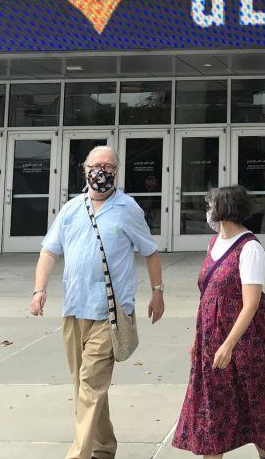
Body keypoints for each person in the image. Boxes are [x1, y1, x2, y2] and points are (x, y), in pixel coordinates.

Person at [30, 145, 165, 459]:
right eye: (96, 164)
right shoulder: (72, 209)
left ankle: (79, 453)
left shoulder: (127, 208)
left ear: (116, 172)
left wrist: (157, 291)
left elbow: (150, 251)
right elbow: (49, 251)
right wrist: (39, 290)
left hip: (110, 312)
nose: (101, 170)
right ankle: (104, 447)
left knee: (91, 382)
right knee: (83, 385)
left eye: (108, 166)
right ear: (85, 169)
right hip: (75, 309)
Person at [173, 185, 265, 459]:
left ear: (224, 210)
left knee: (254, 403)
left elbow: (251, 304)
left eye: (211, 205)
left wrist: (229, 345)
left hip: (244, 340)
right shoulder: (213, 244)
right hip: (211, 338)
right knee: (213, 410)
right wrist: (197, 341)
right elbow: (208, 297)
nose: (208, 211)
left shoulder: (250, 249)